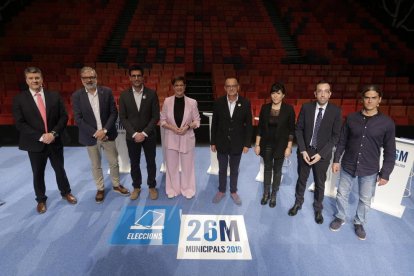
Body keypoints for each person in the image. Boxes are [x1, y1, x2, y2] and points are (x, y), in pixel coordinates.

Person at [329, 85, 396, 240]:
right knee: (341, 194)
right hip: (348, 164)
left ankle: (359, 222)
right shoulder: (351, 118)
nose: (370, 100)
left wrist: (385, 173)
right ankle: (340, 217)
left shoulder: (387, 123)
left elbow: (390, 151)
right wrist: (336, 159)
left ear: (379, 100)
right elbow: (342, 141)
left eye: (373, 97)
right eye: (367, 97)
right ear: (362, 99)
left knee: (365, 199)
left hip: (370, 168)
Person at [12, 66, 77, 214]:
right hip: (35, 143)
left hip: (55, 140)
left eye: (37, 78)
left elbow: (63, 117)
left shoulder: (54, 95)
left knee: (60, 170)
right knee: (38, 173)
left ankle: (66, 192)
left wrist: (53, 133)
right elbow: (20, 123)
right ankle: (41, 199)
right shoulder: (19, 99)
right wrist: (41, 136)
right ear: (26, 80)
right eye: (31, 78)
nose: (34, 80)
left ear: (42, 79)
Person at [72, 67, 130, 203]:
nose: (89, 80)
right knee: (96, 164)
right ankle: (100, 188)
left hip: (108, 134)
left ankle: (116, 185)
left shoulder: (107, 92)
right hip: (90, 137)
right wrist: (95, 133)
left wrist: (104, 131)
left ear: (96, 78)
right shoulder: (77, 96)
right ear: (81, 80)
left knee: (114, 162)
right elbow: (78, 119)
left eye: (92, 77)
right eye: (86, 78)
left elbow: (113, 113)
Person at [288, 81, 342, 224]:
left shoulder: (336, 111)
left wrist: (321, 154)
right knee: (301, 179)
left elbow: (336, 136)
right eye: (319, 91)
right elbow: (298, 129)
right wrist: (303, 150)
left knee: (320, 183)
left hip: (322, 155)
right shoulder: (306, 107)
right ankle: (298, 203)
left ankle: (318, 208)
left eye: (326, 91)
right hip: (306, 151)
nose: (323, 94)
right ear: (315, 93)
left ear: (330, 94)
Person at [119, 65, 160, 200]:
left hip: (149, 136)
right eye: (134, 76)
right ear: (130, 78)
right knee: (134, 163)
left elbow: (155, 117)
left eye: (139, 76)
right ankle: (136, 187)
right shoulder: (124, 95)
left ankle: (152, 186)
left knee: (151, 162)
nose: (136, 78)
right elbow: (123, 118)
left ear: (143, 77)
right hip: (132, 137)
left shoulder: (152, 94)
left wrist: (144, 133)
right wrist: (135, 134)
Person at [210, 77, 252, 205]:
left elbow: (249, 125)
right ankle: (221, 190)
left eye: (234, 85)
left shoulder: (245, 103)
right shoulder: (218, 103)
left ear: (238, 87)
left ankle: (233, 191)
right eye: (228, 86)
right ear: (225, 88)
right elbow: (215, 124)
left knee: (234, 169)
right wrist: (213, 142)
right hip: (221, 142)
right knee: (222, 169)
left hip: (237, 143)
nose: (231, 88)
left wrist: (247, 144)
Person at [254, 83, 295, 208]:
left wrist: (288, 147)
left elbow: (291, 131)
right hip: (266, 144)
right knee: (267, 169)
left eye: (278, 93)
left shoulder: (289, 109)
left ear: (283, 95)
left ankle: (273, 195)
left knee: (277, 171)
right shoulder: (265, 108)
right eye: (273, 93)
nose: (275, 96)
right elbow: (260, 128)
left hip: (281, 146)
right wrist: (257, 144)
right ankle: (266, 193)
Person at [160, 76, 200, 199]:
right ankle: (172, 189)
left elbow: (197, 121)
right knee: (171, 166)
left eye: (181, 85)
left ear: (185, 87)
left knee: (187, 166)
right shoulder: (167, 101)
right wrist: (173, 128)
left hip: (187, 138)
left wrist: (187, 127)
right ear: (173, 87)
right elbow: (162, 121)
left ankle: (188, 189)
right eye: (176, 85)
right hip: (171, 137)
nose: (179, 87)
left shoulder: (192, 102)